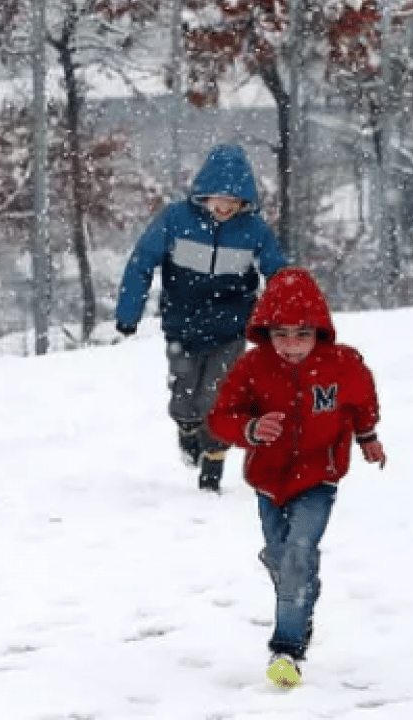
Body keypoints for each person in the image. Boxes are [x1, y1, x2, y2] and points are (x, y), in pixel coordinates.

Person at [206, 266, 386, 688]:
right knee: (280, 556)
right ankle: (299, 593)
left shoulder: (342, 364)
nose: (291, 345)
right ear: (265, 331)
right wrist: (249, 429)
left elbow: (362, 400)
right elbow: (221, 416)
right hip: (268, 480)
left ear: (320, 331)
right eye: (281, 334)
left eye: (302, 334)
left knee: (298, 552)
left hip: (318, 476)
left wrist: (368, 436)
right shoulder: (252, 367)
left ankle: (287, 647)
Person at [115, 144, 287, 492]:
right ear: (203, 194)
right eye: (218, 199)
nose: (225, 207)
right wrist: (128, 312)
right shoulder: (176, 220)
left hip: (231, 328)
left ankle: (214, 461)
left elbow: (280, 273)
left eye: (234, 201)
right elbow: (142, 262)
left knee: (219, 398)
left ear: (245, 202)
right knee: (184, 395)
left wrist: (288, 317)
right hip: (183, 324)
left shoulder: (253, 230)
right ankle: (187, 428)